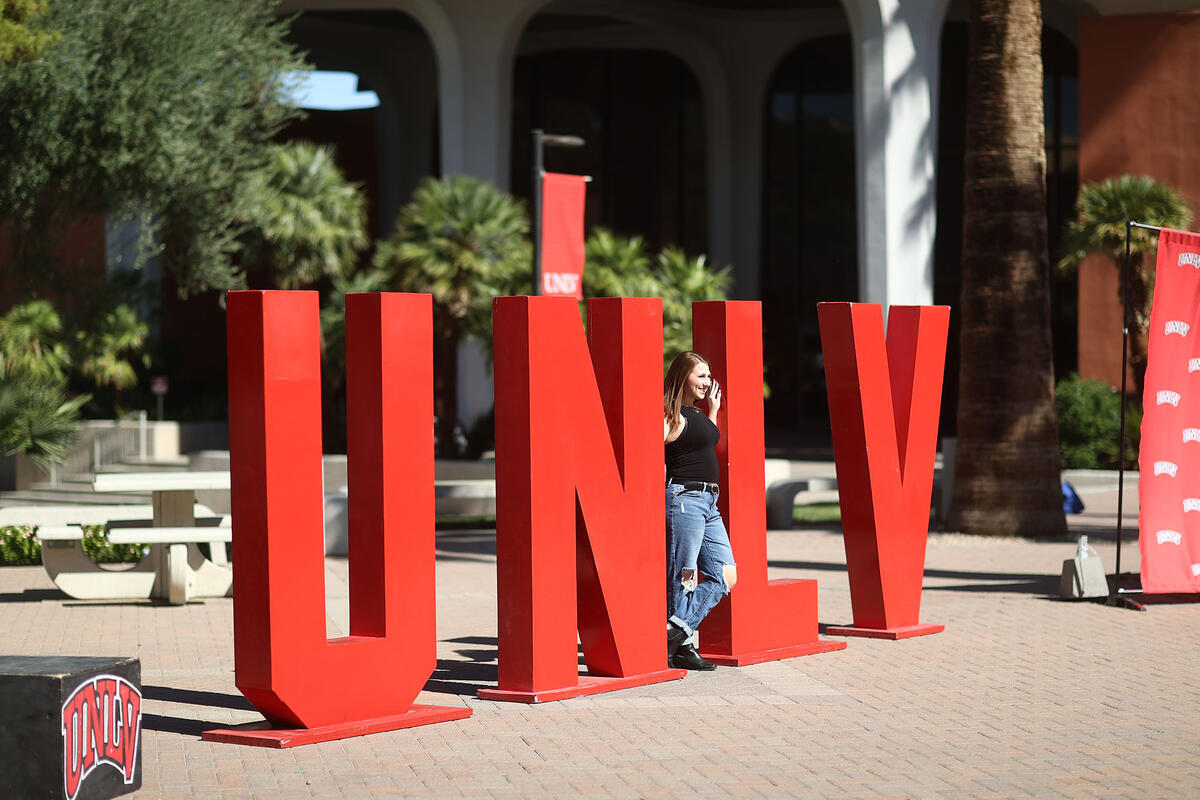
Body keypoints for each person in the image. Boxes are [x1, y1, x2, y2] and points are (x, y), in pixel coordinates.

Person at [663, 351, 737, 671]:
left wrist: (714, 412)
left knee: (725, 575)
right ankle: (683, 647)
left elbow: (706, 441)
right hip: (684, 499)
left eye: (709, 376)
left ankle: (675, 632)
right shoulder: (670, 414)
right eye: (701, 376)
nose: (708, 382)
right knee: (685, 577)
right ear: (683, 377)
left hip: (709, 501)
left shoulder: (697, 413)